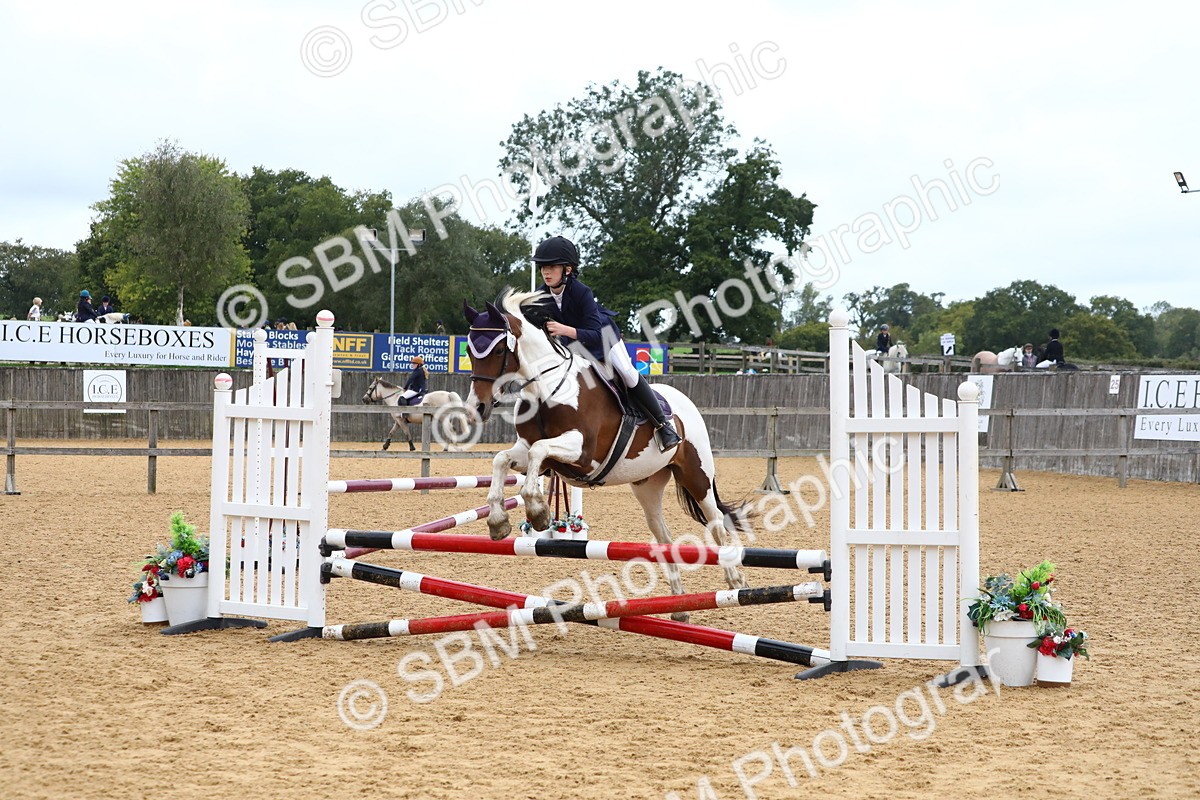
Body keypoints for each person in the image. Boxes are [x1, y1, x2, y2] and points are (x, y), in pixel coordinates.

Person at [533, 235, 682, 451]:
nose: (546, 272)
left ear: (567, 269)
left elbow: (594, 333)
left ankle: (663, 425)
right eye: (543, 267)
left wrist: (565, 330)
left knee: (628, 373)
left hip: (604, 340)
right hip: (574, 348)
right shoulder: (540, 295)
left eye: (552, 267)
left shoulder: (581, 292)